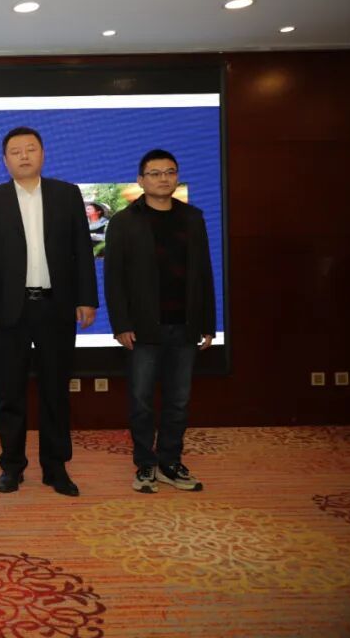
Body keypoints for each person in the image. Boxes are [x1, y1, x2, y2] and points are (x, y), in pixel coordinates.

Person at [0, 126, 98, 497]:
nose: (24, 156)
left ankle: (55, 468)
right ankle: (12, 467)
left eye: (30, 149)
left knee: (55, 392)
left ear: (43, 154)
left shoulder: (66, 194)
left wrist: (86, 298)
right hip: (8, 312)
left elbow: (82, 249)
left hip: (55, 308)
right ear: (5, 160)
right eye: (16, 151)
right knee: (9, 394)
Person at [103, 149, 215, 493]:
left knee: (178, 401)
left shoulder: (193, 218)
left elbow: (204, 273)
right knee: (141, 401)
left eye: (170, 172)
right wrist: (121, 325)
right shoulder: (124, 221)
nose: (163, 179)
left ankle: (170, 461)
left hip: (185, 325)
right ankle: (145, 464)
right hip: (143, 328)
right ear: (141, 180)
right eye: (155, 173)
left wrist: (208, 323)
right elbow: (114, 279)